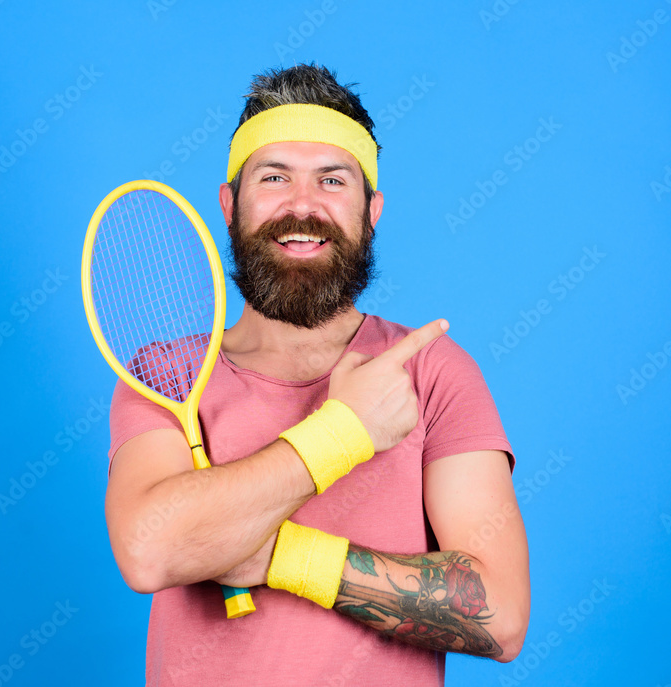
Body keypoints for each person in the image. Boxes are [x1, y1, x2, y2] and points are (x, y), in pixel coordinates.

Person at [104, 63, 530, 686]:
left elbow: (500, 615)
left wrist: (281, 555)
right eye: (274, 177)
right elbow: (149, 552)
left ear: (371, 209)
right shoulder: (165, 373)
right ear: (229, 204)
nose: (303, 205)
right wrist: (344, 433)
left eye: (332, 180)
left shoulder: (431, 371)